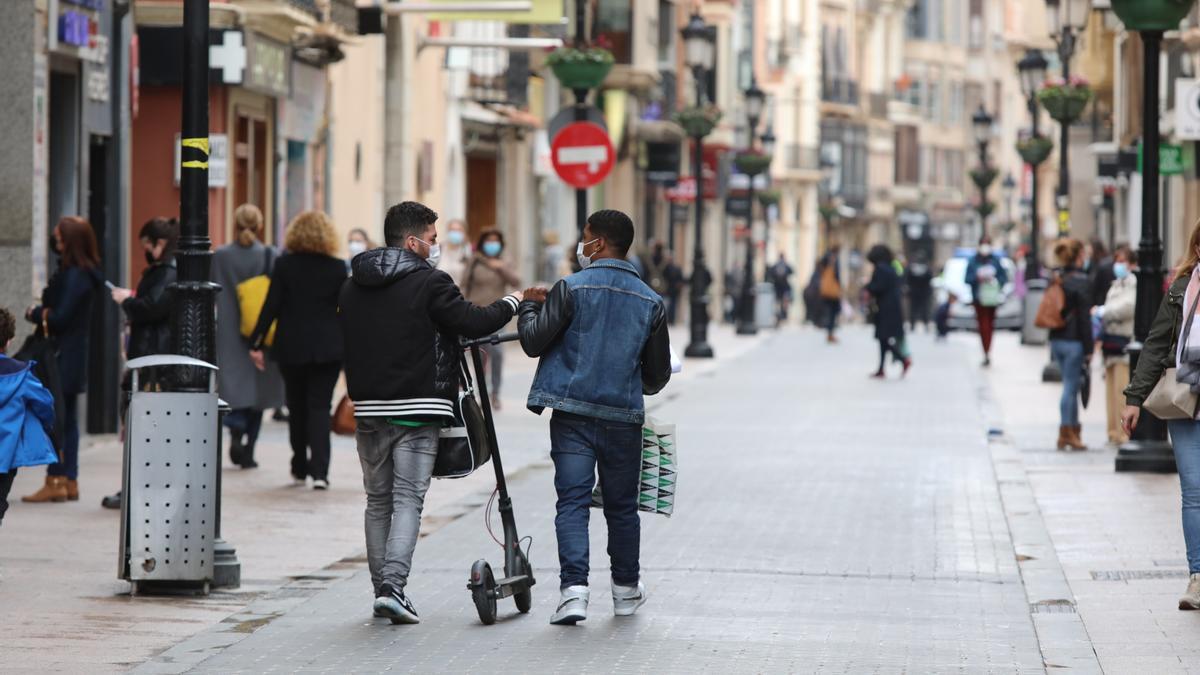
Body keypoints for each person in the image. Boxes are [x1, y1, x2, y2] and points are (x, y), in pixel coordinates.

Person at [339, 200, 530, 624]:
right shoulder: (431, 283)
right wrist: (514, 302)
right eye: (432, 238)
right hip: (418, 407)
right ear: (412, 242)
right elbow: (473, 322)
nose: (437, 245)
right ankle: (393, 588)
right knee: (407, 499)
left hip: (368, 407)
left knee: (377, 502)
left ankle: (382, 590)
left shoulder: (353, 285)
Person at [518, 209, 671, 626]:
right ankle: (624, 591)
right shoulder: (651, 301)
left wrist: (530, 307)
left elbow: (533, 343)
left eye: (584, 237)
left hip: (572, 415)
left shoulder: (570, 288)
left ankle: (574, 593)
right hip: (622, 417)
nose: (580, 245)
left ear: (598, 243)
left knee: (572, 501)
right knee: (621, 507)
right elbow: (656, 377)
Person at [1122, 219, 1200, 610]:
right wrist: (1134, 398)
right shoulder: (1182, 291)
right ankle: (1198, 577)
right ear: (1198, 250)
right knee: (1194, 491)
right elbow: (1155, 345)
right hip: (1185, 400)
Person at [249, 211, 347, 490]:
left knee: (297, 405)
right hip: (328, 348)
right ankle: (320, 472)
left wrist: (256, 342)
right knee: (319, 407)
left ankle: (299, 466)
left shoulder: (285, 265)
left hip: (292, 346)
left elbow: (271, 306)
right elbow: (345, 310)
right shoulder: (338, 268)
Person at [101, 217, 180, 509]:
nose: (144, 251)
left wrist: (127, 301)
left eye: (146, 245)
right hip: (150, 356)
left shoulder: (166, 273)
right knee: (142, 426)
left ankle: (140, 486)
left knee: (144, 426)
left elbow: (153, 307)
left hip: (152, 359)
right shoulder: (166, 272)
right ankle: (139, 485)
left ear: (158, 244)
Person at [22, 217, 103, 504]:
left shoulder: (75, 276)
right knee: (67, 420)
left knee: (56, 419)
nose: (55, 242)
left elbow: (59, 317)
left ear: (69, 242)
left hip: (60, 356)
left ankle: (56, 478)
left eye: (58, 238)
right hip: (73, 354)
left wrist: (36, 313)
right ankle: (69, 480)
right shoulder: (86, 273)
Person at [212, 204, 285, 470]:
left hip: (230, 330)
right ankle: (250, 449)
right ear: (260, 226)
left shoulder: (220, 256)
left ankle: (235, 429)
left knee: (234, 385)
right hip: (261, 332)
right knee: (260, 390)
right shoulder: (270, 255)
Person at [0, 308, 58, 526]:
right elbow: (45, 403)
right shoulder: (21, 375)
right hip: (4, 457)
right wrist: (47, 425)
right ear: (9, 341)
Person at [462, 228, 522, 410]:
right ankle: (481, 394)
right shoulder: (475, 260)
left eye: (495, 241)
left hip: (497, 315)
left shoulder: (505, 260)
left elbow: (515, 281)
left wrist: (501, 267)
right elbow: (464, 284)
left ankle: (495, 392)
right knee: (479, 356)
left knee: (497, 354)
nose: (492, 244)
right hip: (476, 313)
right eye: (489, 241)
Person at [1049, 238, 1093, 451]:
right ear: (1078, 256)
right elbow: (1084, 318)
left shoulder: (1057, 277)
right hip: (1074, 341)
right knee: (1069, 387)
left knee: (1072, 385)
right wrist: (1090, 348)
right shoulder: (1081, 281)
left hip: (1057, 339)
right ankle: (1066, 431)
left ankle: (1073, 431)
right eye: (1083, 255)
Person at [1098, 245, 1136, 445]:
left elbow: (1127, 307)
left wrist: (1104, 312)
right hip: (1110, 343)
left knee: (1122, 390)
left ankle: (1123, 433)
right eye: (1117, 260)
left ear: (1131, 263)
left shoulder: (1133, 282)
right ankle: (1112, 432)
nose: (1118, 265)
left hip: (1123, 342)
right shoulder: (1116, 284)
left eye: (1122, 261)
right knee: (1110, 392)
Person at [865, 245, 911, 379]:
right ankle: (882, 368)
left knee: (883, 338)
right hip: (893, 308)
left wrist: (867, 285)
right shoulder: (891, 267)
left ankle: (902, 359)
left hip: (885, 308)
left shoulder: (880, 268)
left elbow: (878, 287)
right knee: (884, 339)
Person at [965, 236, 1008, 367]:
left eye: (987, 244)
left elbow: (1003, 278)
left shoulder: (995, 260)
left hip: (992, 298)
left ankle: (987, 350)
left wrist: (994, 280)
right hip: (979, 299)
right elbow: (967, 278)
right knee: (983, 325)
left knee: (989, 325)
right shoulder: (973, 261)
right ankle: (985, 351)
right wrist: (978, 278)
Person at [817, 247, 842, 343]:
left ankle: (829, 332)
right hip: (832, 291)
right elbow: (837, 275)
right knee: (833, 312)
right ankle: (830, 332)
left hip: (826, 291)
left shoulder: (825, 259)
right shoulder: (833, 259)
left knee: (829, 311)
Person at [905, 254, 934, 332]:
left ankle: (913, 324)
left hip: (915, 292)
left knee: (915, 309)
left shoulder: (911, 268)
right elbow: (930, 278)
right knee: (924, 309)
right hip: (923, 292)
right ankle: (924, 324)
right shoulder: (926, 268)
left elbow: (907, 278)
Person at [439, 218, 472, 285]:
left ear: (464, 233)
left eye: (459, 230)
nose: (455, 233)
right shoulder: (439, 249)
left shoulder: (468, 251)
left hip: (460, 293)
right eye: (453, 230)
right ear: (447, 232)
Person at [770, 254, 794, 324]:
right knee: (784, 301)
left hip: (777, 287)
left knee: (778, 302)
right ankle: (783, 315)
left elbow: (771, 273)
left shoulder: (775, 266)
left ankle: (778, 315)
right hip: (784, 286)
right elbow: (792, 271)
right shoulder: (786, 266)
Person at [663, 252, 684, 325]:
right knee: (670, 305)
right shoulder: (667, 268)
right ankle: (670, 320)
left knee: (671, 305)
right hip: (669, 290)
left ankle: (671, 320)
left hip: (671, 290)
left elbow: (681, 279)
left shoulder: (673, 268)